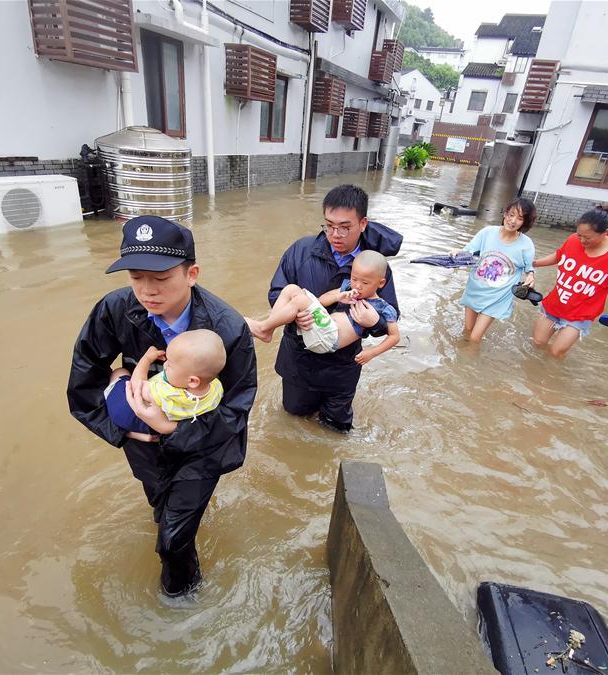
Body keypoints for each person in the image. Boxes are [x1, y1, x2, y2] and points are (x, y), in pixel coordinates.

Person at [67, 216, 257, 598]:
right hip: (142, 444)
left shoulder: (228, 327)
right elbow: (82, 382)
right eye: (136, 277)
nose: (147, 291)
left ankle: (181, 596)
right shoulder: (115, 309)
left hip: (204, 445)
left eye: (161, 278)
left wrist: (172, 431)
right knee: (160, 507)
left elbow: (236, 408)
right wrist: (123, 430)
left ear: (192, 274)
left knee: (171, 541)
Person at [268, 184, 402, 432]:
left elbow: (390, 315)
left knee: (336, 429)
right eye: (329, 225)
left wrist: (375, 323)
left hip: (343, 367)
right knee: (294, 420)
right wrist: (296, 317)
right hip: (300, 360)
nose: (335, 234)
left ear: (363, 223)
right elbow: (277, 293)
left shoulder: (375, 267)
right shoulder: (300, 251)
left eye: (345, 227)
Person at [248, 250, 400, 363]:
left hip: (329, 339)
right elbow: (321, 300)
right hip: (322, 327)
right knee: (291, 289)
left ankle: (262, 328)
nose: (358, 286)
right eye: (354, 278)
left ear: (381, 283)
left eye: (365, 283)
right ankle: (268, 330)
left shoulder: (384, 308)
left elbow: (394, 337)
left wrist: (372, 352)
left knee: (301, 300)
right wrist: (338, 296)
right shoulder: (347, 287)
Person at [531, 204, 608, 358]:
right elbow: (559, 256)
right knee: (538, 343)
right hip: (555, 304)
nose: (582, 240)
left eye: (588, 237)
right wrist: (534, 263)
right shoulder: (573, 240)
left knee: (556, 352)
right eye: (579, 235)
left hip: (581, 313)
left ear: (605, 233)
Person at [103, 330, 226, 435]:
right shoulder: (216, 388)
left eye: (170, 365)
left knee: (119, 372)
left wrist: (146, 359)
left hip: (130, 414)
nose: (165, 364)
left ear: (193, 381)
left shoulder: (165, 394)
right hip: (168, 425)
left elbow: (136, 386)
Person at [449, 198, 537, 342]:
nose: (513, 221)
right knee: (468, 330)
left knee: (475, 338)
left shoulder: (526, 244)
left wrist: (531, 276)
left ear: (525, 222)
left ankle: (471, 363)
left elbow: (529, 269)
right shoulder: (487, 232)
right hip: (475, 289)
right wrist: (457, 251)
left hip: (498, 297)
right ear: (505, 214)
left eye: (520, 218)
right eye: (511, 214)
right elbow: (468, 251)